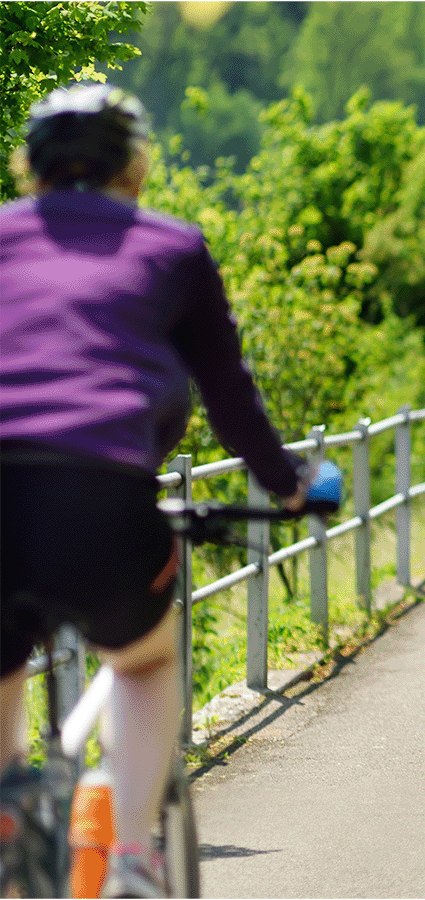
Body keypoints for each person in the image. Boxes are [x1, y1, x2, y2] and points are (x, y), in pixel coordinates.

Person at [0, 83, 317, 898]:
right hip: (105, 501)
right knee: (144, 660)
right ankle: (135, 858)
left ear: (28, 166)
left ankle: (7, 821)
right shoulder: (173, 246)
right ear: (135, 166)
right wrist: (287, 487)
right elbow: (229, 396)